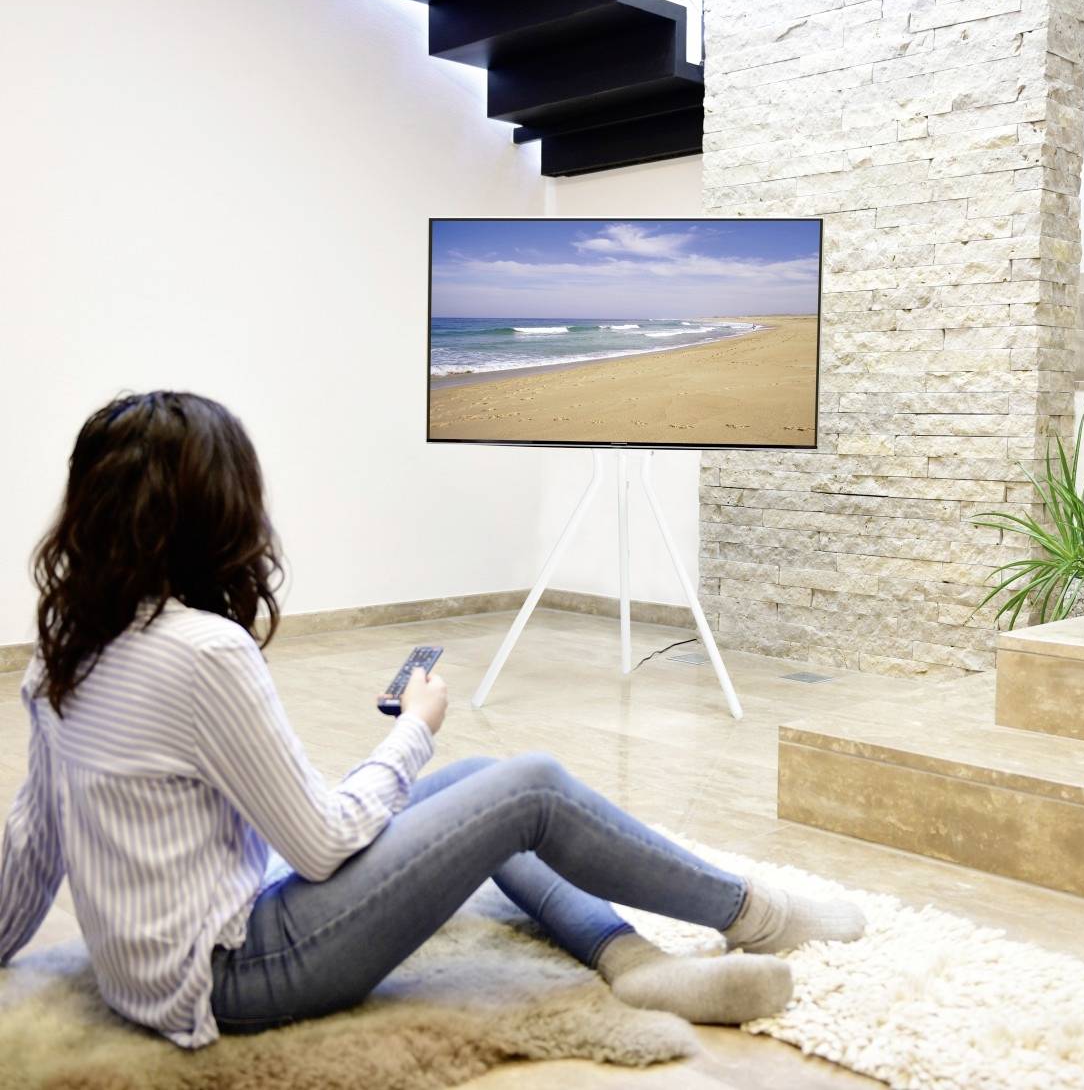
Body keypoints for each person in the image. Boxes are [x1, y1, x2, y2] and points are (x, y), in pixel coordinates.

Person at [0, 391, 864, 1049]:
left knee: (478, 788)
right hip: (236, 975)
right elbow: (321, 845)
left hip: (157, 970)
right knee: (529, 789)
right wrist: (414, 725)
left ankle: (634, 962)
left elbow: (34, 845)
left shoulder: (65, 653)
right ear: (219, 512)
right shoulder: (204, 651)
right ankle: (759, 913)